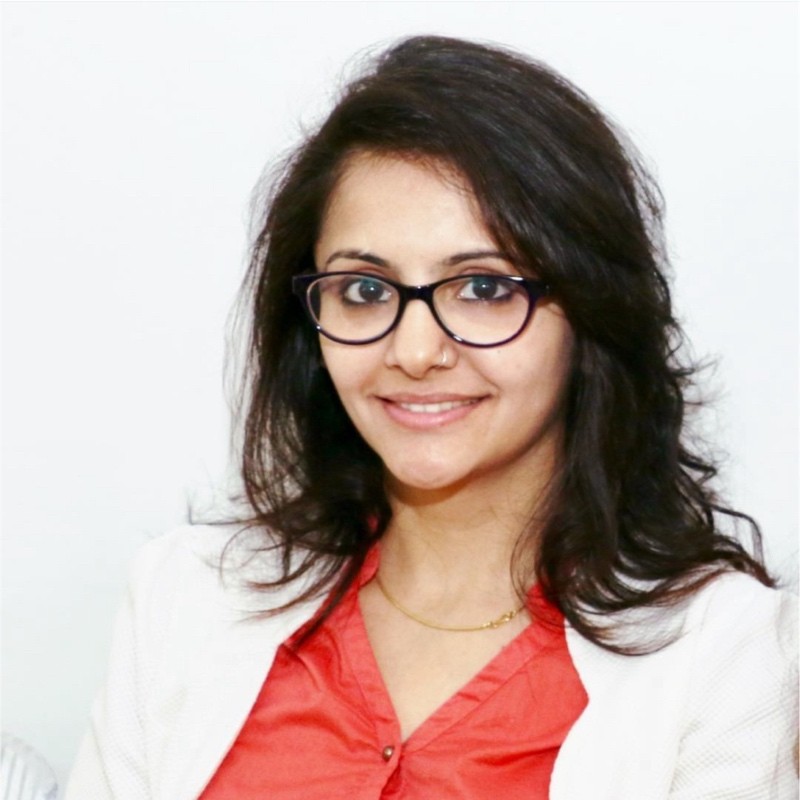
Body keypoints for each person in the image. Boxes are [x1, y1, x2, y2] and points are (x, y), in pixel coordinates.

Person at [65, 36, 797, 799]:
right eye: (364, 290)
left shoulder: (722, 653)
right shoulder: (183, 598)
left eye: (483, 288)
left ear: (590, 312)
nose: (414, 351)